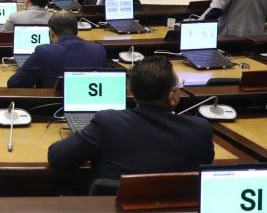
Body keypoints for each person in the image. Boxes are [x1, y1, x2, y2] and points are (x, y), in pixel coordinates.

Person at [47, 56, 213, 188]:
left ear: (131, 92)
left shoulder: (108, 122)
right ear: (172, 97)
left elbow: (57, 158)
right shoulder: (199, 129)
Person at [7, 11, 109, 89]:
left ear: (51, 33)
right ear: (77, 31)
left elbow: (14, 84)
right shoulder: (99, 50)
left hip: (51, 107)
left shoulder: (44, 51)